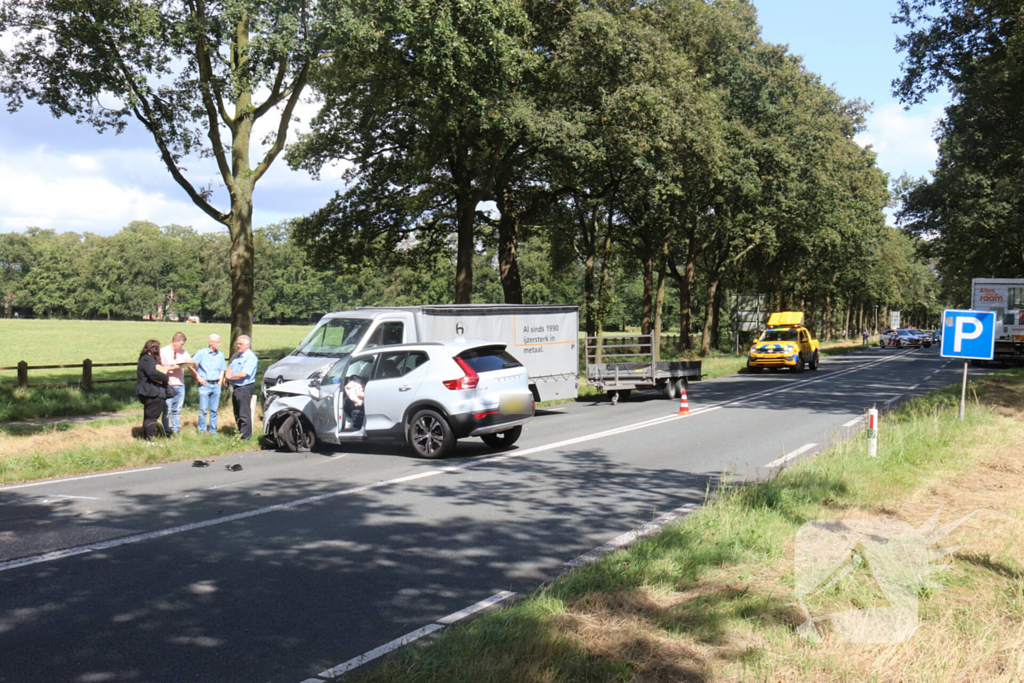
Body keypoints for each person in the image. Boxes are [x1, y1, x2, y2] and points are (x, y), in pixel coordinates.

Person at [160, 331, 196, 436]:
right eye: (181, 344)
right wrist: (172, 368)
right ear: (175, 341)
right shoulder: (163, 351)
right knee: (167, 409)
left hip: (180, 384)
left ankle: (175, 430)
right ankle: (166, 430)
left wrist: (192, 366)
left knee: (177, 410)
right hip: (168, 384)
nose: (182, 346)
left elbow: (191, 363)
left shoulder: (183, 352)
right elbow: (159, 368)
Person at [191, 333, 227, 434]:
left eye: (220, 342)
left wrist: (220, 380)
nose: (219, 344)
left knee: (214, 410)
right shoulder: (201, 353)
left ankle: (213, 430)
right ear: (211, 342)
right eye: (217, 342)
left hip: (216, 385)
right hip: (204, 385)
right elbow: (191, 365)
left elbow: (222, 368)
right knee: (203, 410)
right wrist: (198, 377)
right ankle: (202, 430)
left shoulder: (220, 355)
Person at [226, 334, 259, 440]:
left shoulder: (251, 358)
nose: (238, 346)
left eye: (240, 344)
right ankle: (239, 432)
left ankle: (245, 437)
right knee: (237, 413)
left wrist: (229, 377)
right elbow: (230, 366)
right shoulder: (238, 356)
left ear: (247, 345)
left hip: (244, 388)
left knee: (244, 413)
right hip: (236, 387)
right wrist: (227, 373)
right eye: (237, 344)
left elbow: (243, 374)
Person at [136, 339, 169, 440]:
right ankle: (150, 439)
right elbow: (152, 373)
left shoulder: (146, 359)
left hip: (150, 392)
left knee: (149, 416)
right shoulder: (147, 359)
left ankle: (147, 438)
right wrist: (166, 377)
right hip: (152, 392)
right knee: (151, 417)